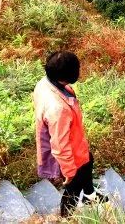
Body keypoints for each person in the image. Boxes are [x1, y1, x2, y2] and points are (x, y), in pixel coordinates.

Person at [33, 51, 103, 216]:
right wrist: (70, 172)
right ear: (71, 74)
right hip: (72, 155)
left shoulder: (44, 84)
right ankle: (66, 217)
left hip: (77, 144)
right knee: (72, 189)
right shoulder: (58, 108)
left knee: (89, 161)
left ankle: (89, 195)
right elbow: (59, 146)